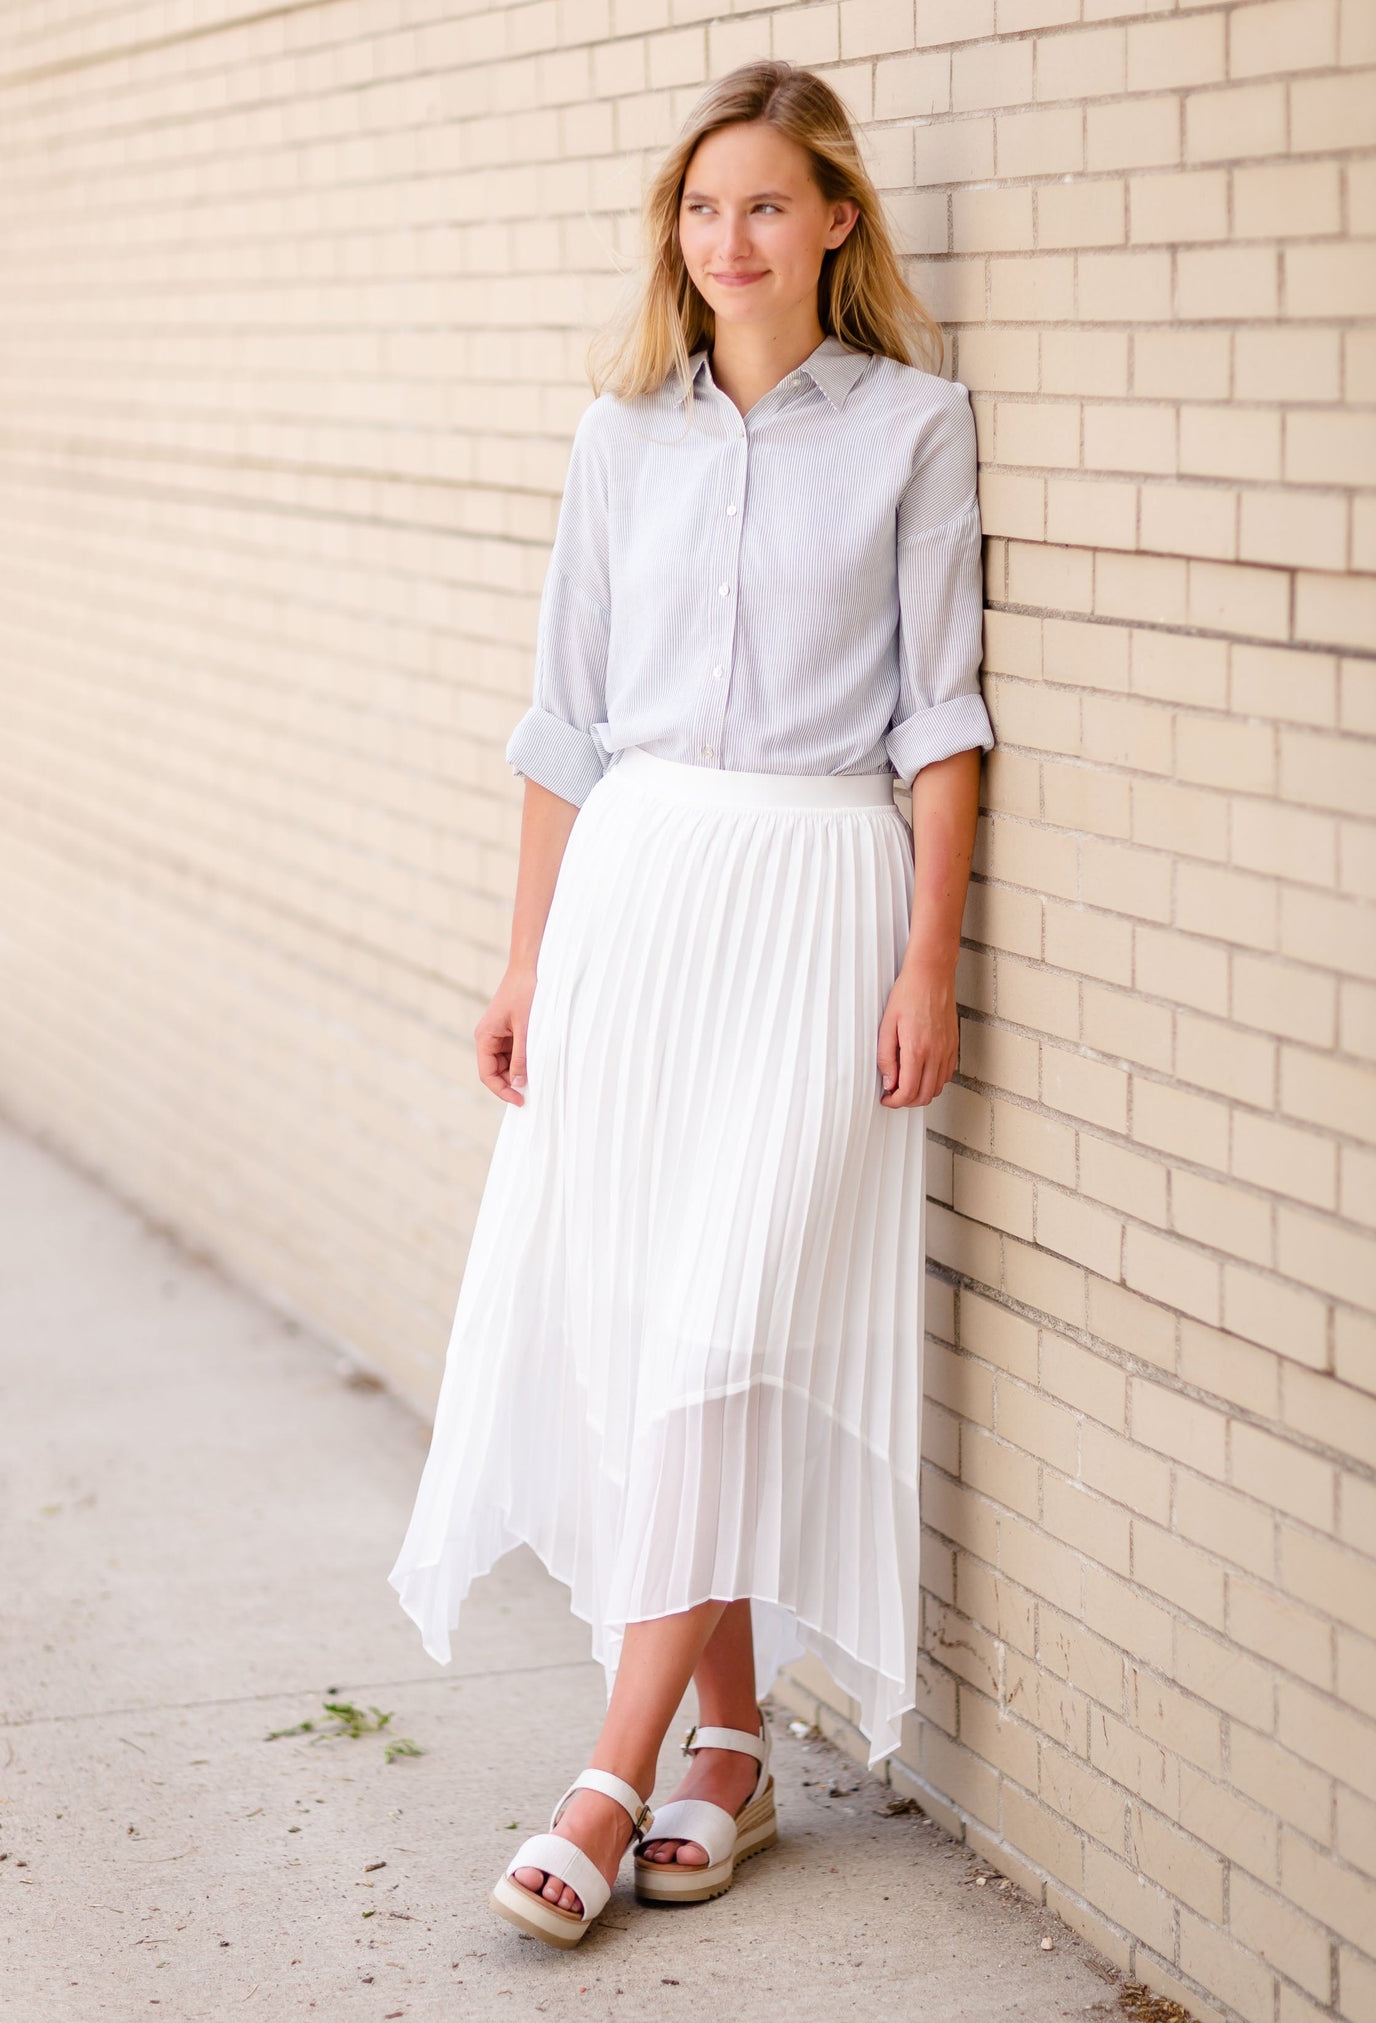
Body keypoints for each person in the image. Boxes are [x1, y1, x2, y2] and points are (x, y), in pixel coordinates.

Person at [387, 57, 993, 1950]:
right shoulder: (616, 439)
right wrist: (523, 958)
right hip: (635, 903)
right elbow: (561, 723)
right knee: (652, 1335)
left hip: (816, 896)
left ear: (833, 222)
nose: (724, 239)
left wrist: (927, 958)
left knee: (728, 1323)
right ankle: (725, 1745)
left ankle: (606, 1767)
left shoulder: (912, 425)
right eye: (698, 207)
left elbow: (943, 714)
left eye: (762, 205)